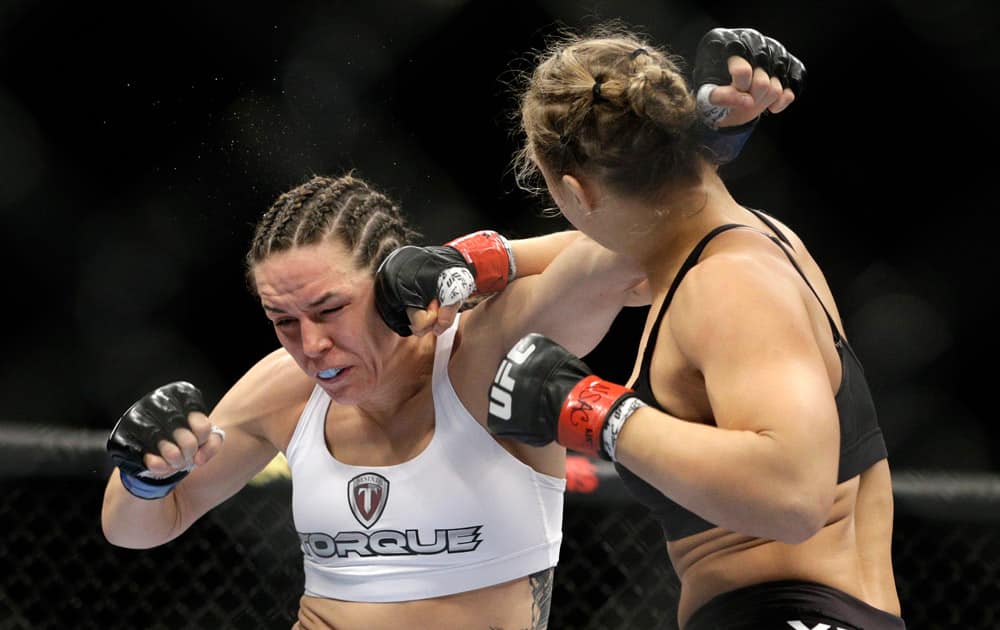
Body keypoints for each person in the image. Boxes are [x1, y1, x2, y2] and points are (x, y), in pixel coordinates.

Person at [99, 27, 794, 630]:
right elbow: (138, 531)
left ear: (392, 282)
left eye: (329, 310)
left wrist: (691, 151)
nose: (311, 346)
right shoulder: (283, 391)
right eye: (283, 321)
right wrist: (144, 479)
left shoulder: (482, 357)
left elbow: (624, 256)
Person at [470, 21, 905, 630]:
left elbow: (792, 497)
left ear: (574, 188)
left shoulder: (727, 287)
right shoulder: (729, 242)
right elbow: (601, 248)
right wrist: (480, 260)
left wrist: (592, 408)